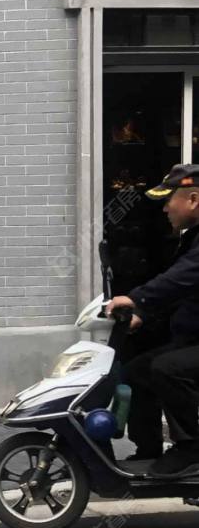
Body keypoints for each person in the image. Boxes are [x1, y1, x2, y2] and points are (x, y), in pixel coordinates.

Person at [107, 163, 199, 475]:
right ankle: (147, 449)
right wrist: (142, 316)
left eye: (168, 200)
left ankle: (191, 448)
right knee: (136, 372)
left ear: (193, 199)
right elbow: (182, 292)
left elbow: (182, 278)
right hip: (190, 337)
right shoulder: (192, 237)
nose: (164, 209)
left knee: (167, 369)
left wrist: (136, 299)